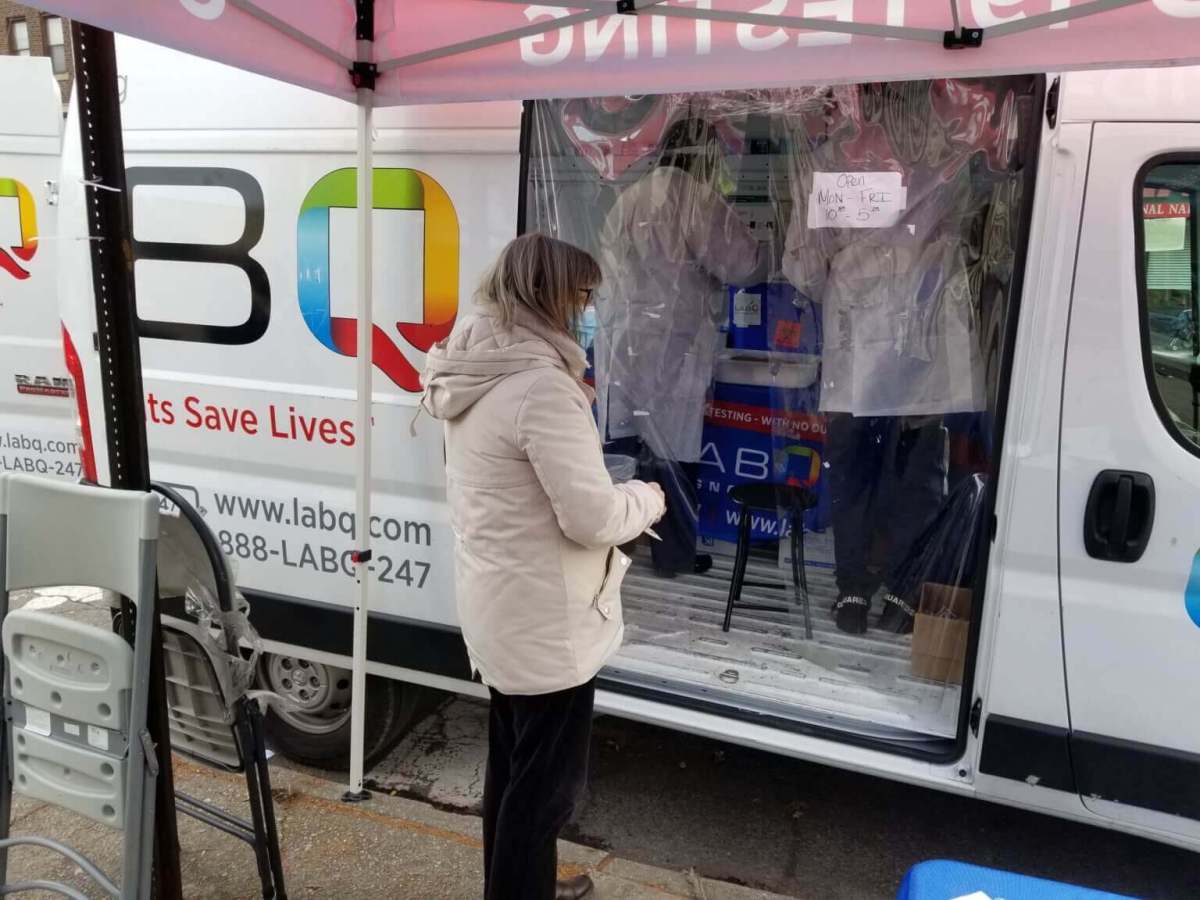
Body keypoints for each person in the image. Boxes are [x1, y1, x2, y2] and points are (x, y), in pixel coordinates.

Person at [421, 233, 666, 900]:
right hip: (547, 625)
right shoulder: (540, 387)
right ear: (549, 296)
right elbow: (589, 517)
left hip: (503, 607)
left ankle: (518, 887)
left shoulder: (474, 367)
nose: (589, 309)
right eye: (583, 296)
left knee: (515, 772)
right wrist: (646, 498)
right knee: (544, 794)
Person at [782, 83, 984, 635]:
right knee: (917, 476)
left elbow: (801, 267)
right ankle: (903, 591)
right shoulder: (944, 156)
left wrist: (844, 275)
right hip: (924, 349)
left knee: (853, 474)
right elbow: (966, 228)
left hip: (857, 350)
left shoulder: (826, 166)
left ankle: (852, 591)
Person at [596, 115, 768, 577]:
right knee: (673, 454)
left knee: (627, 453)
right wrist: (769, 252)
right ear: (706, 154)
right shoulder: (696, 198)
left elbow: (608, 274)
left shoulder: (628, 198)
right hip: (676, 345)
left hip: (624, 344)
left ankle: (618, 553)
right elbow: (742, 265)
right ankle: (673, 555)